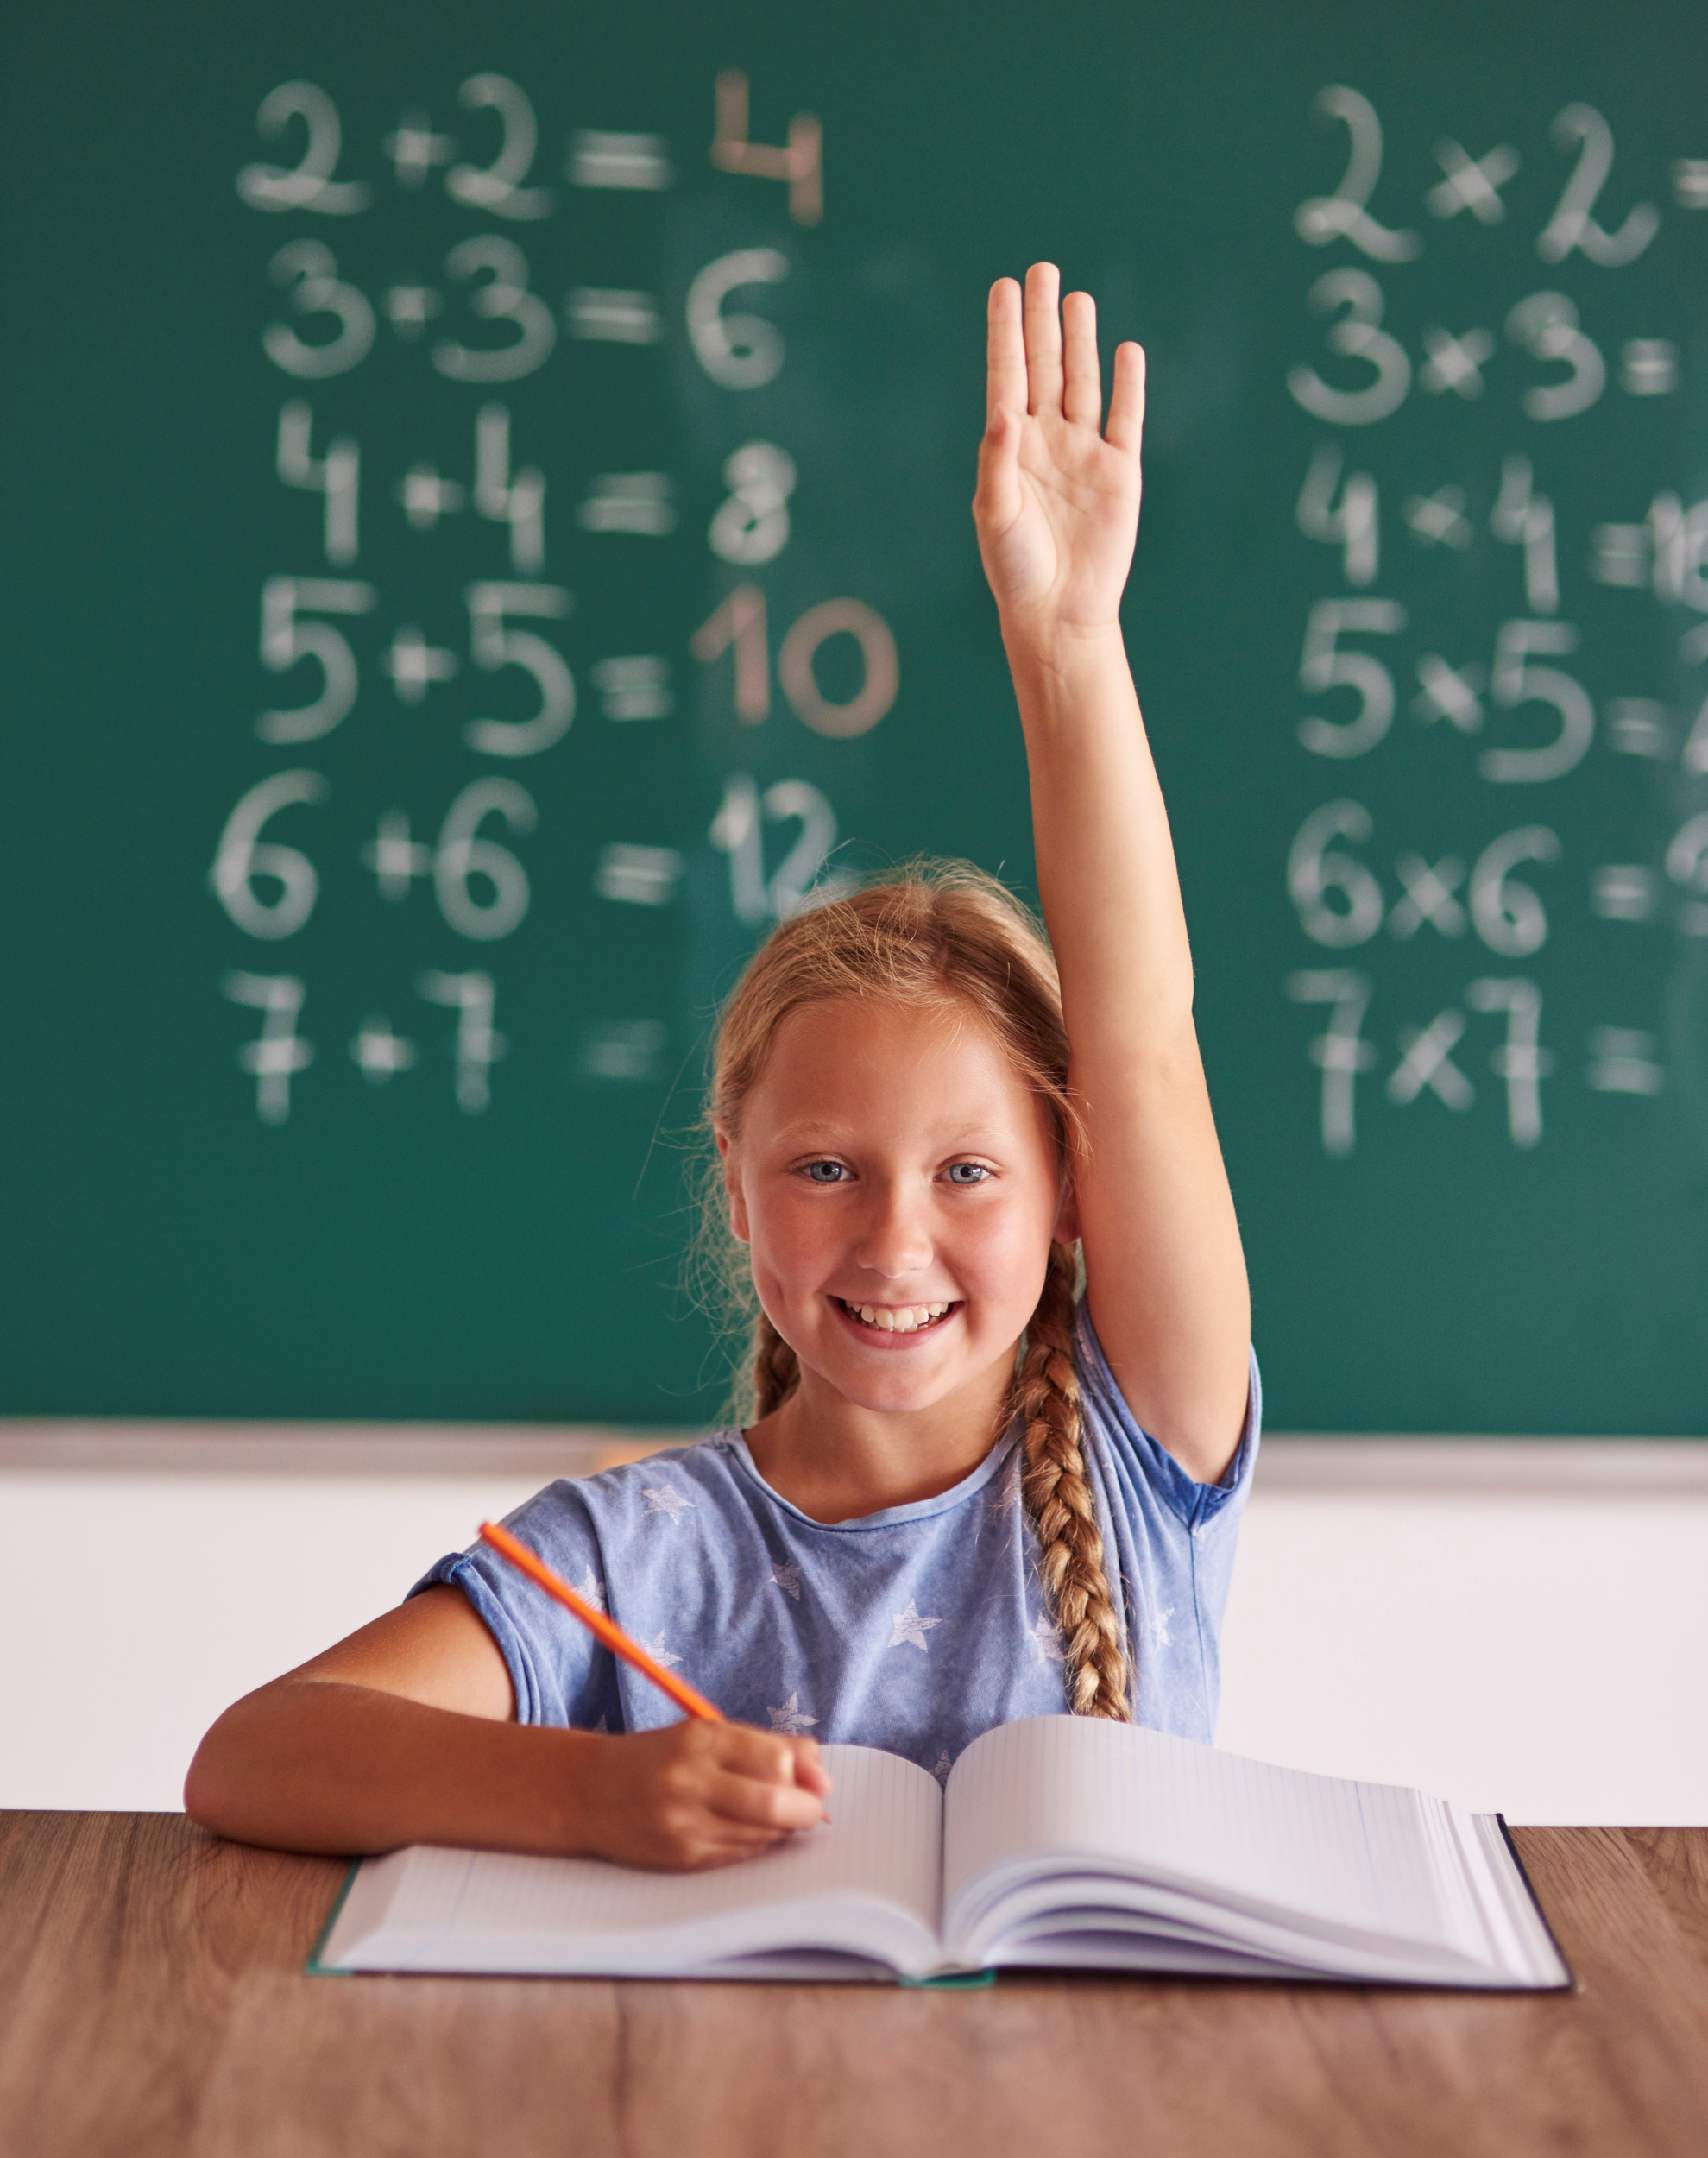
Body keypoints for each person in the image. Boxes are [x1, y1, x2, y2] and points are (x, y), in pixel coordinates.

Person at [185, 264, 1257, 1872]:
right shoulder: (629, 1553)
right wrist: (592, 1794)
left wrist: (1066, 643)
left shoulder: (1142, 1447)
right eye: (826, 1168)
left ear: (1073, 1195)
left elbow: (1144, 1040)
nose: (895, 1242)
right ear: (740, 1200)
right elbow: (253, 1757)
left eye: (969, 1172)